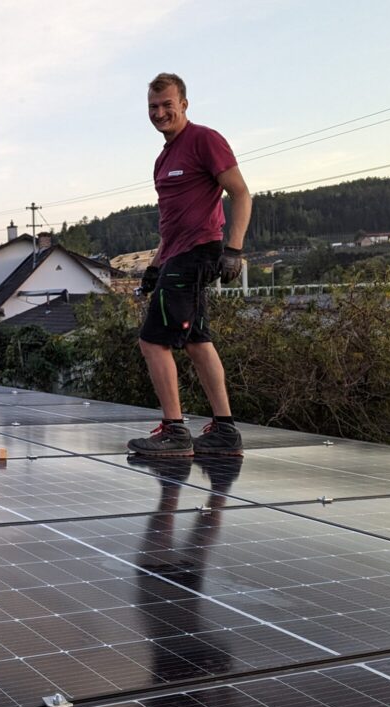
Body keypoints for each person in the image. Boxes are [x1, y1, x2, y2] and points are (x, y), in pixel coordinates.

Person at [128, 73, 251, 457]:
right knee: (198, 340)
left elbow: (242, 193)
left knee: (152, 341)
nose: (160, 112)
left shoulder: (205, 140)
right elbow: (171, 222)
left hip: (199, 252)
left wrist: (234, 249)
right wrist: (154, 265)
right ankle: (225, 431)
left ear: (184, 104)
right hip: (176, 255)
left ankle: (175, 432)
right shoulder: (163, 159)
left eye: (167, 104)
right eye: (153, 107)